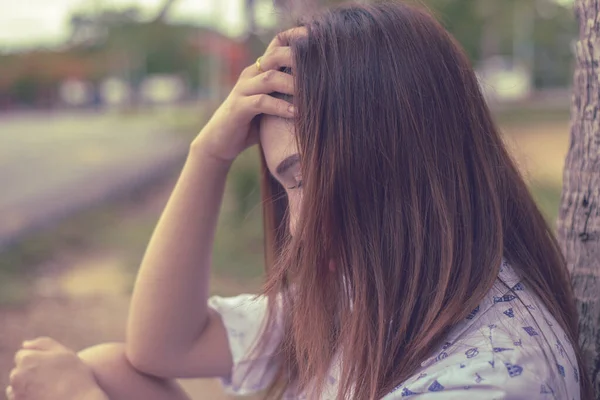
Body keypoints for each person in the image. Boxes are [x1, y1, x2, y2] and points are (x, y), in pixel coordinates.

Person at [6, 2, 592, 399]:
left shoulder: (491, 378)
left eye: (308, 177)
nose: (300, 224)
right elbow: (162, 345)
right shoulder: (378, 291)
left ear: (408, 157)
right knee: (112, 368)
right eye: (288, 184)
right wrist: (207, 155)